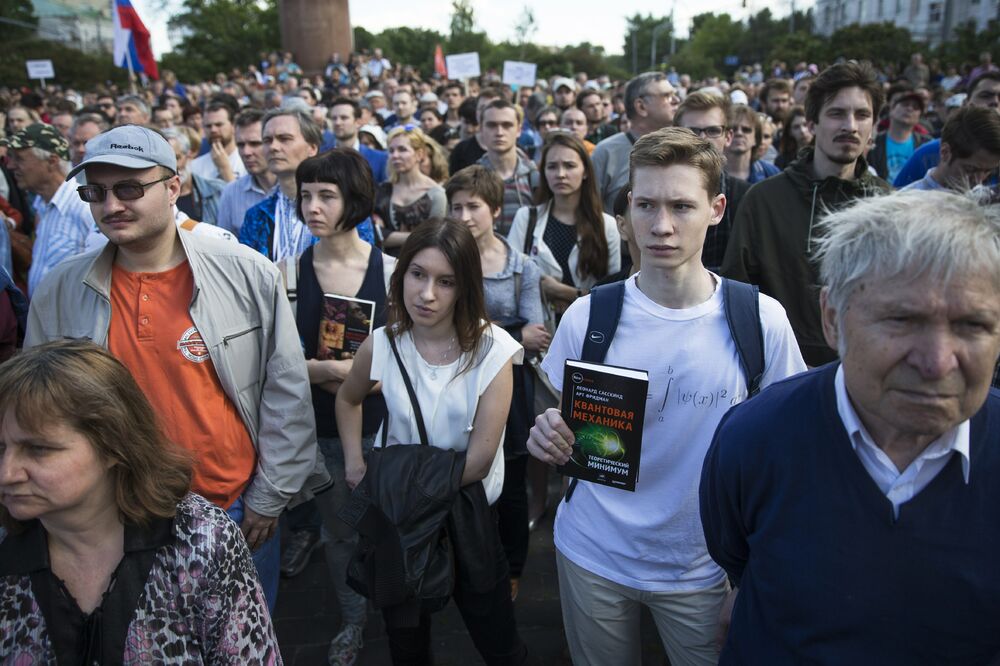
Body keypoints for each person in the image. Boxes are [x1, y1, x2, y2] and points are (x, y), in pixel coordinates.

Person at [526, 127, 805, 666]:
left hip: (703, 568)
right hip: (592, 552)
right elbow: (560, 414)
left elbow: (786, 456)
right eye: (647, 205)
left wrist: (754, 572)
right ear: (628, 207)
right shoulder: (589, 315)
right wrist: (548, 433)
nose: (661, 226)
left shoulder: (760, 320)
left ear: (716, 209)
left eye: (681, 206)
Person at [23, 125, 327, 613]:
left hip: (231, 509)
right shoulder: (61, 289)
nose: (111, 205)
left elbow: (285, 392)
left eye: (129, 188)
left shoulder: (245, 272)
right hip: (112, 518)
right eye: (95, 192)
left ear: (173, 188)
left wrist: (269, 497)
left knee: (241, 640)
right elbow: (39, 411)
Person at [701, 189, 1000, 663]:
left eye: (972, 325)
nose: (938, 362)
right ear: (832, 319)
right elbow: (734, 551)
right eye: (902, 320)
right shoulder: (755, 437)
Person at [0, 340, 282, 663]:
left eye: (38, 449)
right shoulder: (7, 556)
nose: (7, 474)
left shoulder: (201, 544)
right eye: (0, 448)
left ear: (112, 445)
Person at [336, 218, 528, 665]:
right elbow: (347, 399)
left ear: (465, 287)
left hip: (466, 511)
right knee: (406, 642)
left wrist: (393, 479)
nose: (426, 294)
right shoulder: (383, 343)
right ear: (401, 274)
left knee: (496, 636)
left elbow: (478, 462)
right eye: (417, 274)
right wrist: (354, 464)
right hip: (398, 515)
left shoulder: (493, 349)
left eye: (445, 281)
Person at [286, 149, 396, 665]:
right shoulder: (287, 274)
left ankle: (396, 608)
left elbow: (408, 359)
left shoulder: (392, 272)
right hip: (323, 432)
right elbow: (276, 363)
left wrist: (338, 373)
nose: (312, 207)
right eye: (305, 195)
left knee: (392, 527)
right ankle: (353, 619)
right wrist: (331, 371)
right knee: (338, 533)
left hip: (390, 429)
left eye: (326, 196)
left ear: (355, 200)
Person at [722, 61, 891, 367]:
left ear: (874, 125)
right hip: (780, 369)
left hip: (868, 369)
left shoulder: (890, 205)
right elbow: (737, 297)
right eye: (836, 113)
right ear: (812, 124)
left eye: (862, 115)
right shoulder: (763, 201)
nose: (850, 126)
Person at [446, 165, 550, 602]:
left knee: (510, 485)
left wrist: (486, 333)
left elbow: (536, 334)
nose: (463, 216)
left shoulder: (521, 266)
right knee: (457, 475)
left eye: (472, 206)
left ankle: (512, 568)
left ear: (493, 209)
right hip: (454, 385)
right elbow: (444, 327)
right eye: (455, 207)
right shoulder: (445, 259)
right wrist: (510, 332)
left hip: (509, 387)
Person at [508, 132, 620, 318]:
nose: (560, 174)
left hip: (588, 323)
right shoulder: (526, 218)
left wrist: (564, 292)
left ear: (585, 171)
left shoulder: (607, 225)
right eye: (552, 167)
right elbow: (511, 280)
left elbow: (613, 293)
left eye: (569, 166)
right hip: (537, 325)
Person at [241, 107, 374, 260]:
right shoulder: (256, 215)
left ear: (312, 148)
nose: (273, 147)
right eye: (267, 140)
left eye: (284, 139)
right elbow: (246, 269)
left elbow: (361, 263)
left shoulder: (345, 209)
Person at [1, 124, 91, 297]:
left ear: (52, 161)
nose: (11, 166)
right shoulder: (42, 205)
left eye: (19, 159)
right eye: (11, 158)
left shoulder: (84, 206)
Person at [672, 92, 750, 272]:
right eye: (693, 131)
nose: (703, 138)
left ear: (728, 137)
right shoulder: (652, 191)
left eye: (713, 131)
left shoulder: (747, 197)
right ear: (675, 134)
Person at [893, 72, 1000, 188]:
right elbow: (897, 195)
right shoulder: (927, 154)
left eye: (988, 171)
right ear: (966, 103)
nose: (995, 102)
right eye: (985, 95)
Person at [592, 72, 679, 213]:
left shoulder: (684, 148)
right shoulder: (606, 152)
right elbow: (590, 210)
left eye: (674, 94)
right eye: (666, 96)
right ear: (641, 107)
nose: (676, 100)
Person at [374, 126, 447, 253]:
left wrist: (391, 236)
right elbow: (377, 234)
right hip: (388, 260)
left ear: (419, 154)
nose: (395, 155)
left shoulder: (436, 194)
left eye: (402, 149)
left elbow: (434, 237)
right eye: (391, 150)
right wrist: (417, 235)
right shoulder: (383, 189)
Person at [477, 100, 540, 235]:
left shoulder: (536, 178)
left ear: (519, 130)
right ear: (481, 129)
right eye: (492, 125)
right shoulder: (470, 179)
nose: (499, 132)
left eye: (507, 125)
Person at [902, 105, 1000, 192]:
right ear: (945, 152)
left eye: (988, 171)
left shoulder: (987, 199)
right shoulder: (906, 201)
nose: (978, 181)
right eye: (970, 169)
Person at [217, 109, 277, 235]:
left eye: (255, 144)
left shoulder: (296, 189)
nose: (246, 152)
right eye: (240, 145)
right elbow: (223, 243)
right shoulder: (231, 193)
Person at [868, 82, 932, 183]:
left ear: (919, 116)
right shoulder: (873, 143)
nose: (910, 109)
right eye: (905, 104)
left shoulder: (926, 144)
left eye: (915, 107)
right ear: (891, 109)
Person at [164, 128, 226, 227]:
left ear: (188, 155)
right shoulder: (156, 198)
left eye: (177, 158)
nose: (173, 166)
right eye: (166, 161)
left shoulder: (217, 190)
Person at [329, 97, 390, 183]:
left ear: (357, 122)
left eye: (344, 118)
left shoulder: (380, 158)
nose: (337, 123)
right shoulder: (320, 154)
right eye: (334, 118)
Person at [190, 102, 245, 183]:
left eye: (219, 125)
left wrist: (225, 169)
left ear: (233, 126)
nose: (213, 130)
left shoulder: (247, 161)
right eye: (208, 126)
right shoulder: (194, 166)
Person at [724, 105, 781, 184]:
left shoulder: (772, 173)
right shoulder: (709, 173)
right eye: (733, 129)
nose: (739, 133)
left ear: (755, 138)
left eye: (746, 129)